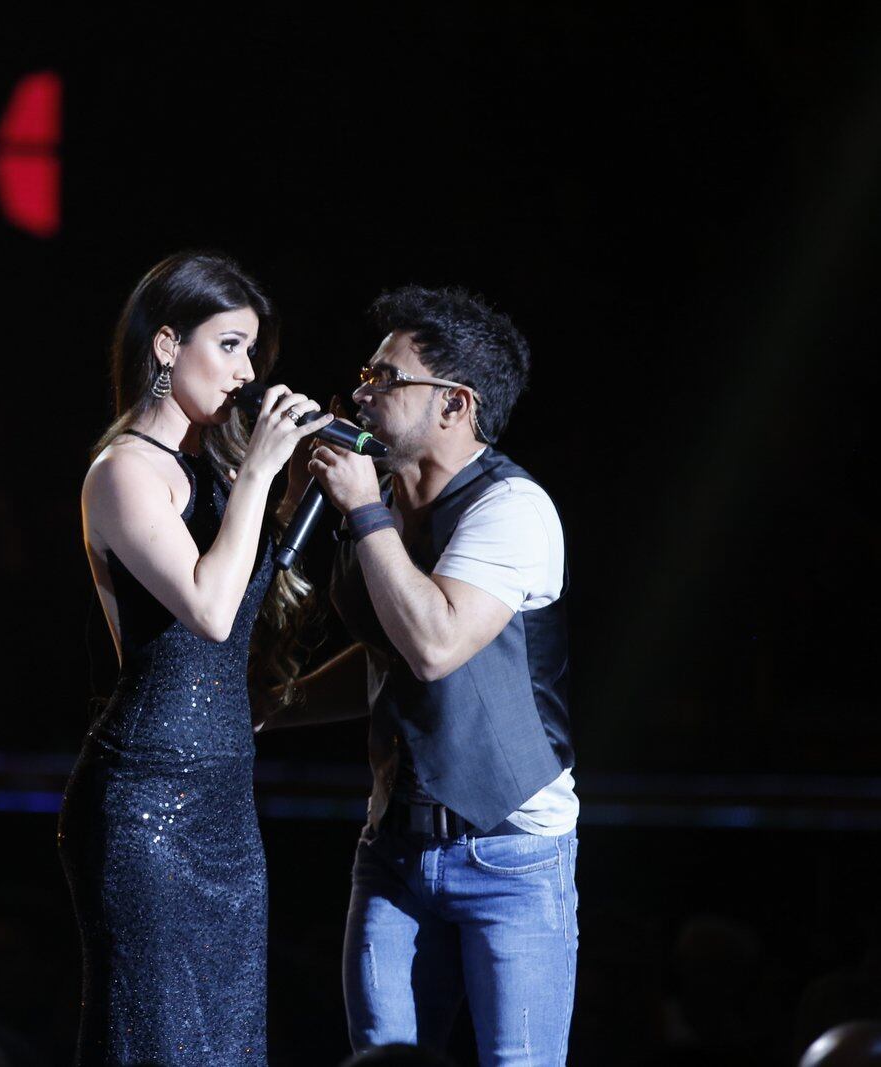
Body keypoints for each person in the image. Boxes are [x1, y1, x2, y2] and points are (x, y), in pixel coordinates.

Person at [264, 285, 576, 1064]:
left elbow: (434, 643)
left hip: (511, 850)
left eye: (387, 378)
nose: (362, 393)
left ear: (455, 403)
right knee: (380, 1059)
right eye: (364, 376)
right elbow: (388, 658)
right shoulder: (373, 504)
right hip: (394, 848)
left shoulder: (512, 508)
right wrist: (272, 705)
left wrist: (363, 513)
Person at [56, 251, 322, 1066]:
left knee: (226, 1041)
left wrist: (301, 486)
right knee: (155, 1038)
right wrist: (260, 476)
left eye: (253, 352)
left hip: (224, 802)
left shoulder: (216, 471)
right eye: (230, 345)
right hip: (146, 804)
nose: (246, 372)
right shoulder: (123, 472)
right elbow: (208, 610)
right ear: (167, 344)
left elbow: (252, 606)